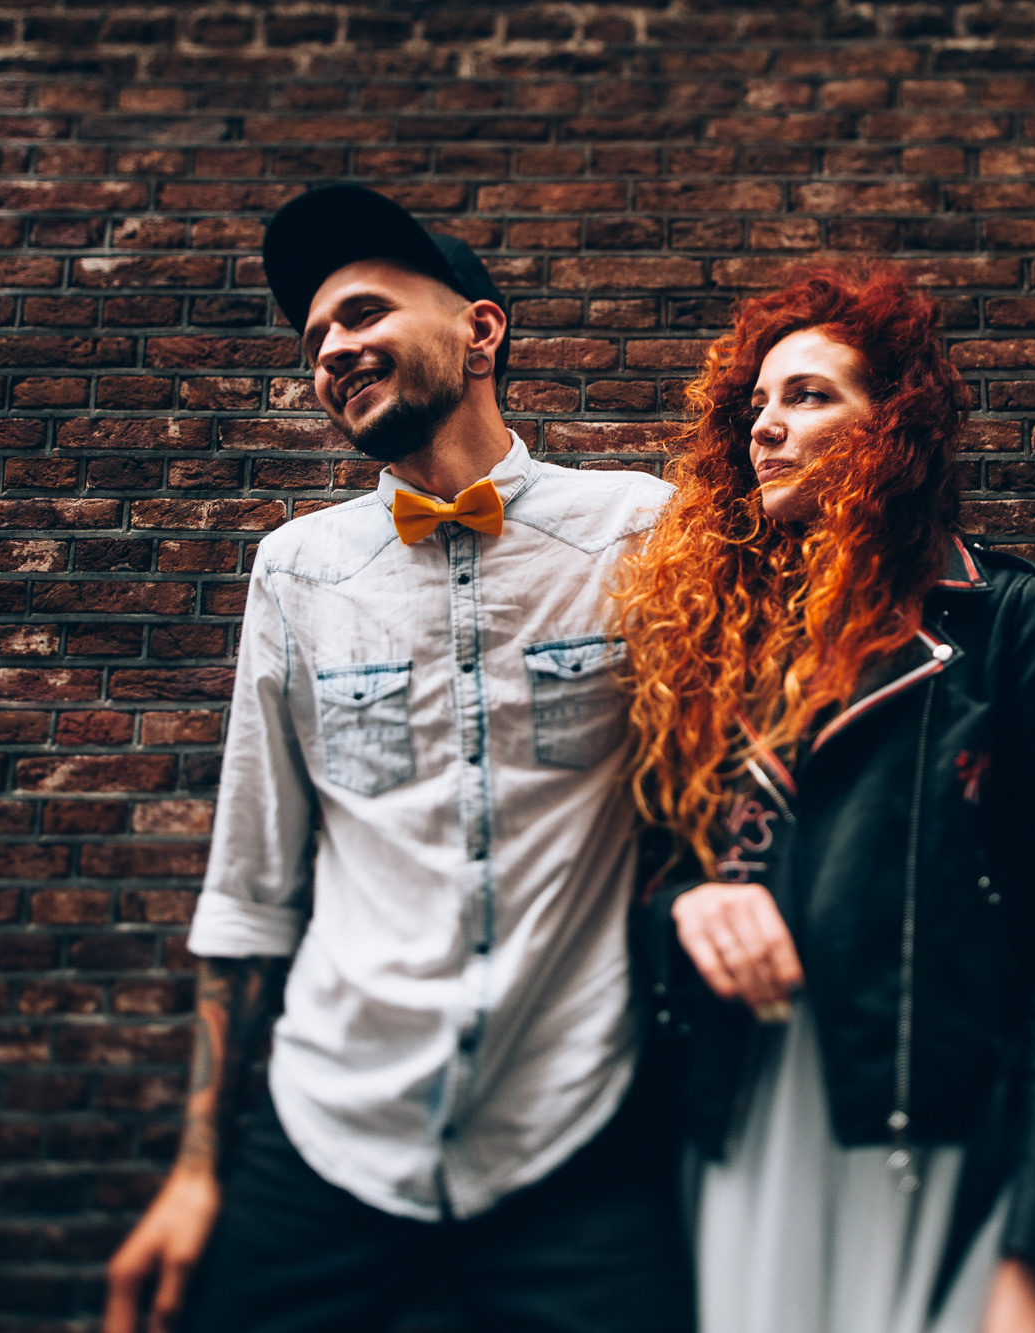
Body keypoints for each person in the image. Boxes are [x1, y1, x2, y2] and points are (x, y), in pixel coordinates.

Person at [103, 184, 693, 1333]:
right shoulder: (297, 571)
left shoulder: (637, 533)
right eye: (314, 336)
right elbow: (248, 889)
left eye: (361, 313)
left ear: (481, 331)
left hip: (574, 1131)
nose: (330, 350)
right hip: (327, 1137)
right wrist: (194, 1171)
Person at [615, 264, 1035, 1333]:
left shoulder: (1007, 625)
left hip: (926, 1127)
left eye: (806, 395)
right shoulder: (710, 641)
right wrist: (685, 908)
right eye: (754, 403)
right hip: (740, 1116)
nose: (765, 427)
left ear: (893, 422)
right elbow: (650, 872)